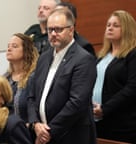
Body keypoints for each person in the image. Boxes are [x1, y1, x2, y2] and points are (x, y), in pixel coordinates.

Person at [27, 8, 97, 144]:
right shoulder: (44, 57)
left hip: (70, 136)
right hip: (42, 133)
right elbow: (31, 95)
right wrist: (35, 123)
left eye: (58, 29)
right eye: (50, 30)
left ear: (71, 30)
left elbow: (77, 103)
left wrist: (49, 132)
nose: (53, 34)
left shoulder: (83, 59)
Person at [93, 10, 136, 143]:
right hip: (98, 121)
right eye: (108, 25)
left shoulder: (132, 54)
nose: (110, 28)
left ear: (127, 29)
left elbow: (132, 88)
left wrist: (105, 109)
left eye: (116, 25)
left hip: (122, 123)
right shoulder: (102, 56)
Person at [4, 33, 39, 122]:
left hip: (28, 130)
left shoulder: (35, 77)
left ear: (26, 51)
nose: (9, 49)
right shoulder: (5, 78)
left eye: (14, 46)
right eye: (8, 46)